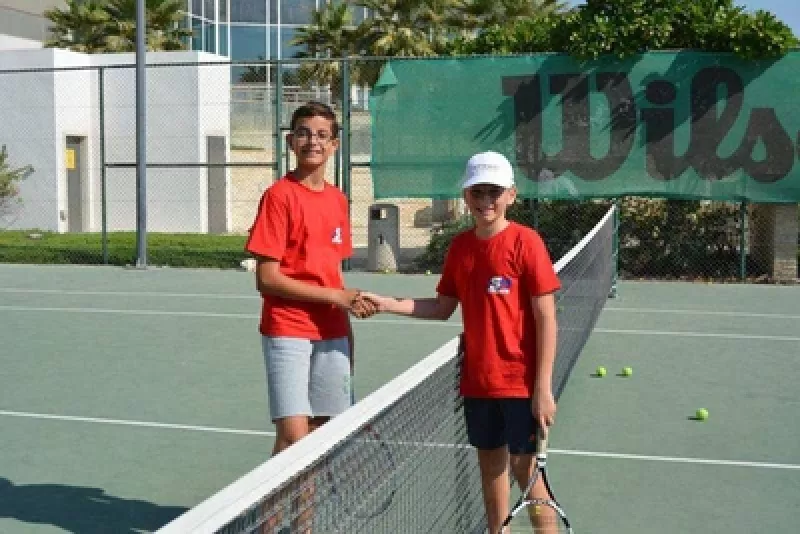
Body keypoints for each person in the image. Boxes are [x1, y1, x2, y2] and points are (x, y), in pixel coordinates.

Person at [361, 151, 561, 533]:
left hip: (520, 385)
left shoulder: (526, 243)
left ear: (511, 195)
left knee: (527, 474)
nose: (486, 200)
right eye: (477, 192)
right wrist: (387, 303)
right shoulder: (460, 249)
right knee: (491, 473)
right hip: (477, 384)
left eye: (494, 192)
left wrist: (543, 388)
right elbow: (441, 307)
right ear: (466, 196)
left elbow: (546, 317)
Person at [245, 101, 373, 458]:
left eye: (321, 135)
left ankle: (305, 501)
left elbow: (332, 274)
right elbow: (267, 279)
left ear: (334, 145)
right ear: (290, 142)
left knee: (320, 435)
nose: (312, 141)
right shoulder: (278, 197)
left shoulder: (338, 200)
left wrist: (347, 335)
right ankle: (276, 500)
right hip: (288, 328)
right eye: (303, 133)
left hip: (332, 331)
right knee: (293, 439)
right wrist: (337, 296)